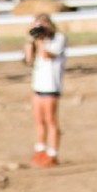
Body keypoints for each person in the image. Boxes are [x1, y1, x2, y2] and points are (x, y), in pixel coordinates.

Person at [25, 13, 66, 167]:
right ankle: (40, 149)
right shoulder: (38, 41)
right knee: (38, 120)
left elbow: (46, 55)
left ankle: (53, 153)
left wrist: (41, 40)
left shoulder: (59, 39)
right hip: (38, 85)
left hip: (51, 85)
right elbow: (28, 59)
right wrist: (30, 40)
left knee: (50, 120)